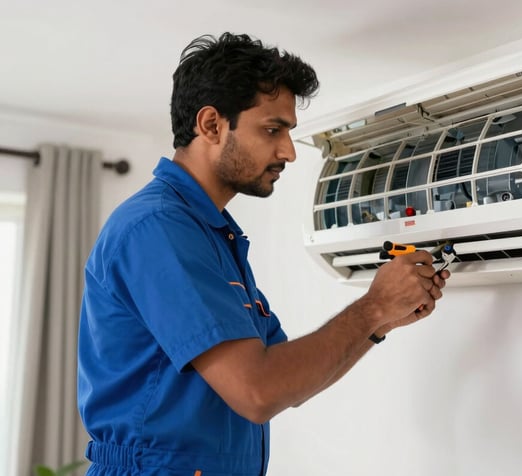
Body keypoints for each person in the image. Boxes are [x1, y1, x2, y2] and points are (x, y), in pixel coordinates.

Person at [77, 32, 450, 476]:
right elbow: (258, 392)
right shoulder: (158, 229)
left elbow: (284, 381)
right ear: (212, 125)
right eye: (273, 129)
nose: (289, 152)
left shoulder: (212, 235)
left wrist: (382, 321)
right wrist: (373, 308)